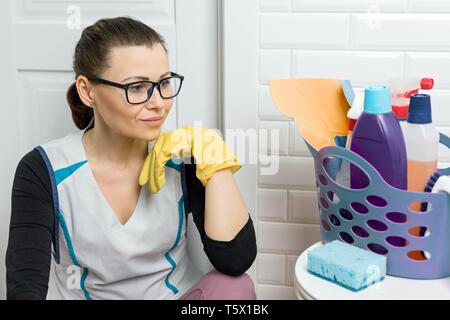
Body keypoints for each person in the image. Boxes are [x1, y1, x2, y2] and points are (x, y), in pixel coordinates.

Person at [6, 16, 257, 300]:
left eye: (164, 83)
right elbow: (25, 287)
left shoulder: (182, 159)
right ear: (87, 91)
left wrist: (214, 160)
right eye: (136, 87)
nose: (159, 103)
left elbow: (235, 262)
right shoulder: (44, 169)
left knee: (236, 288)